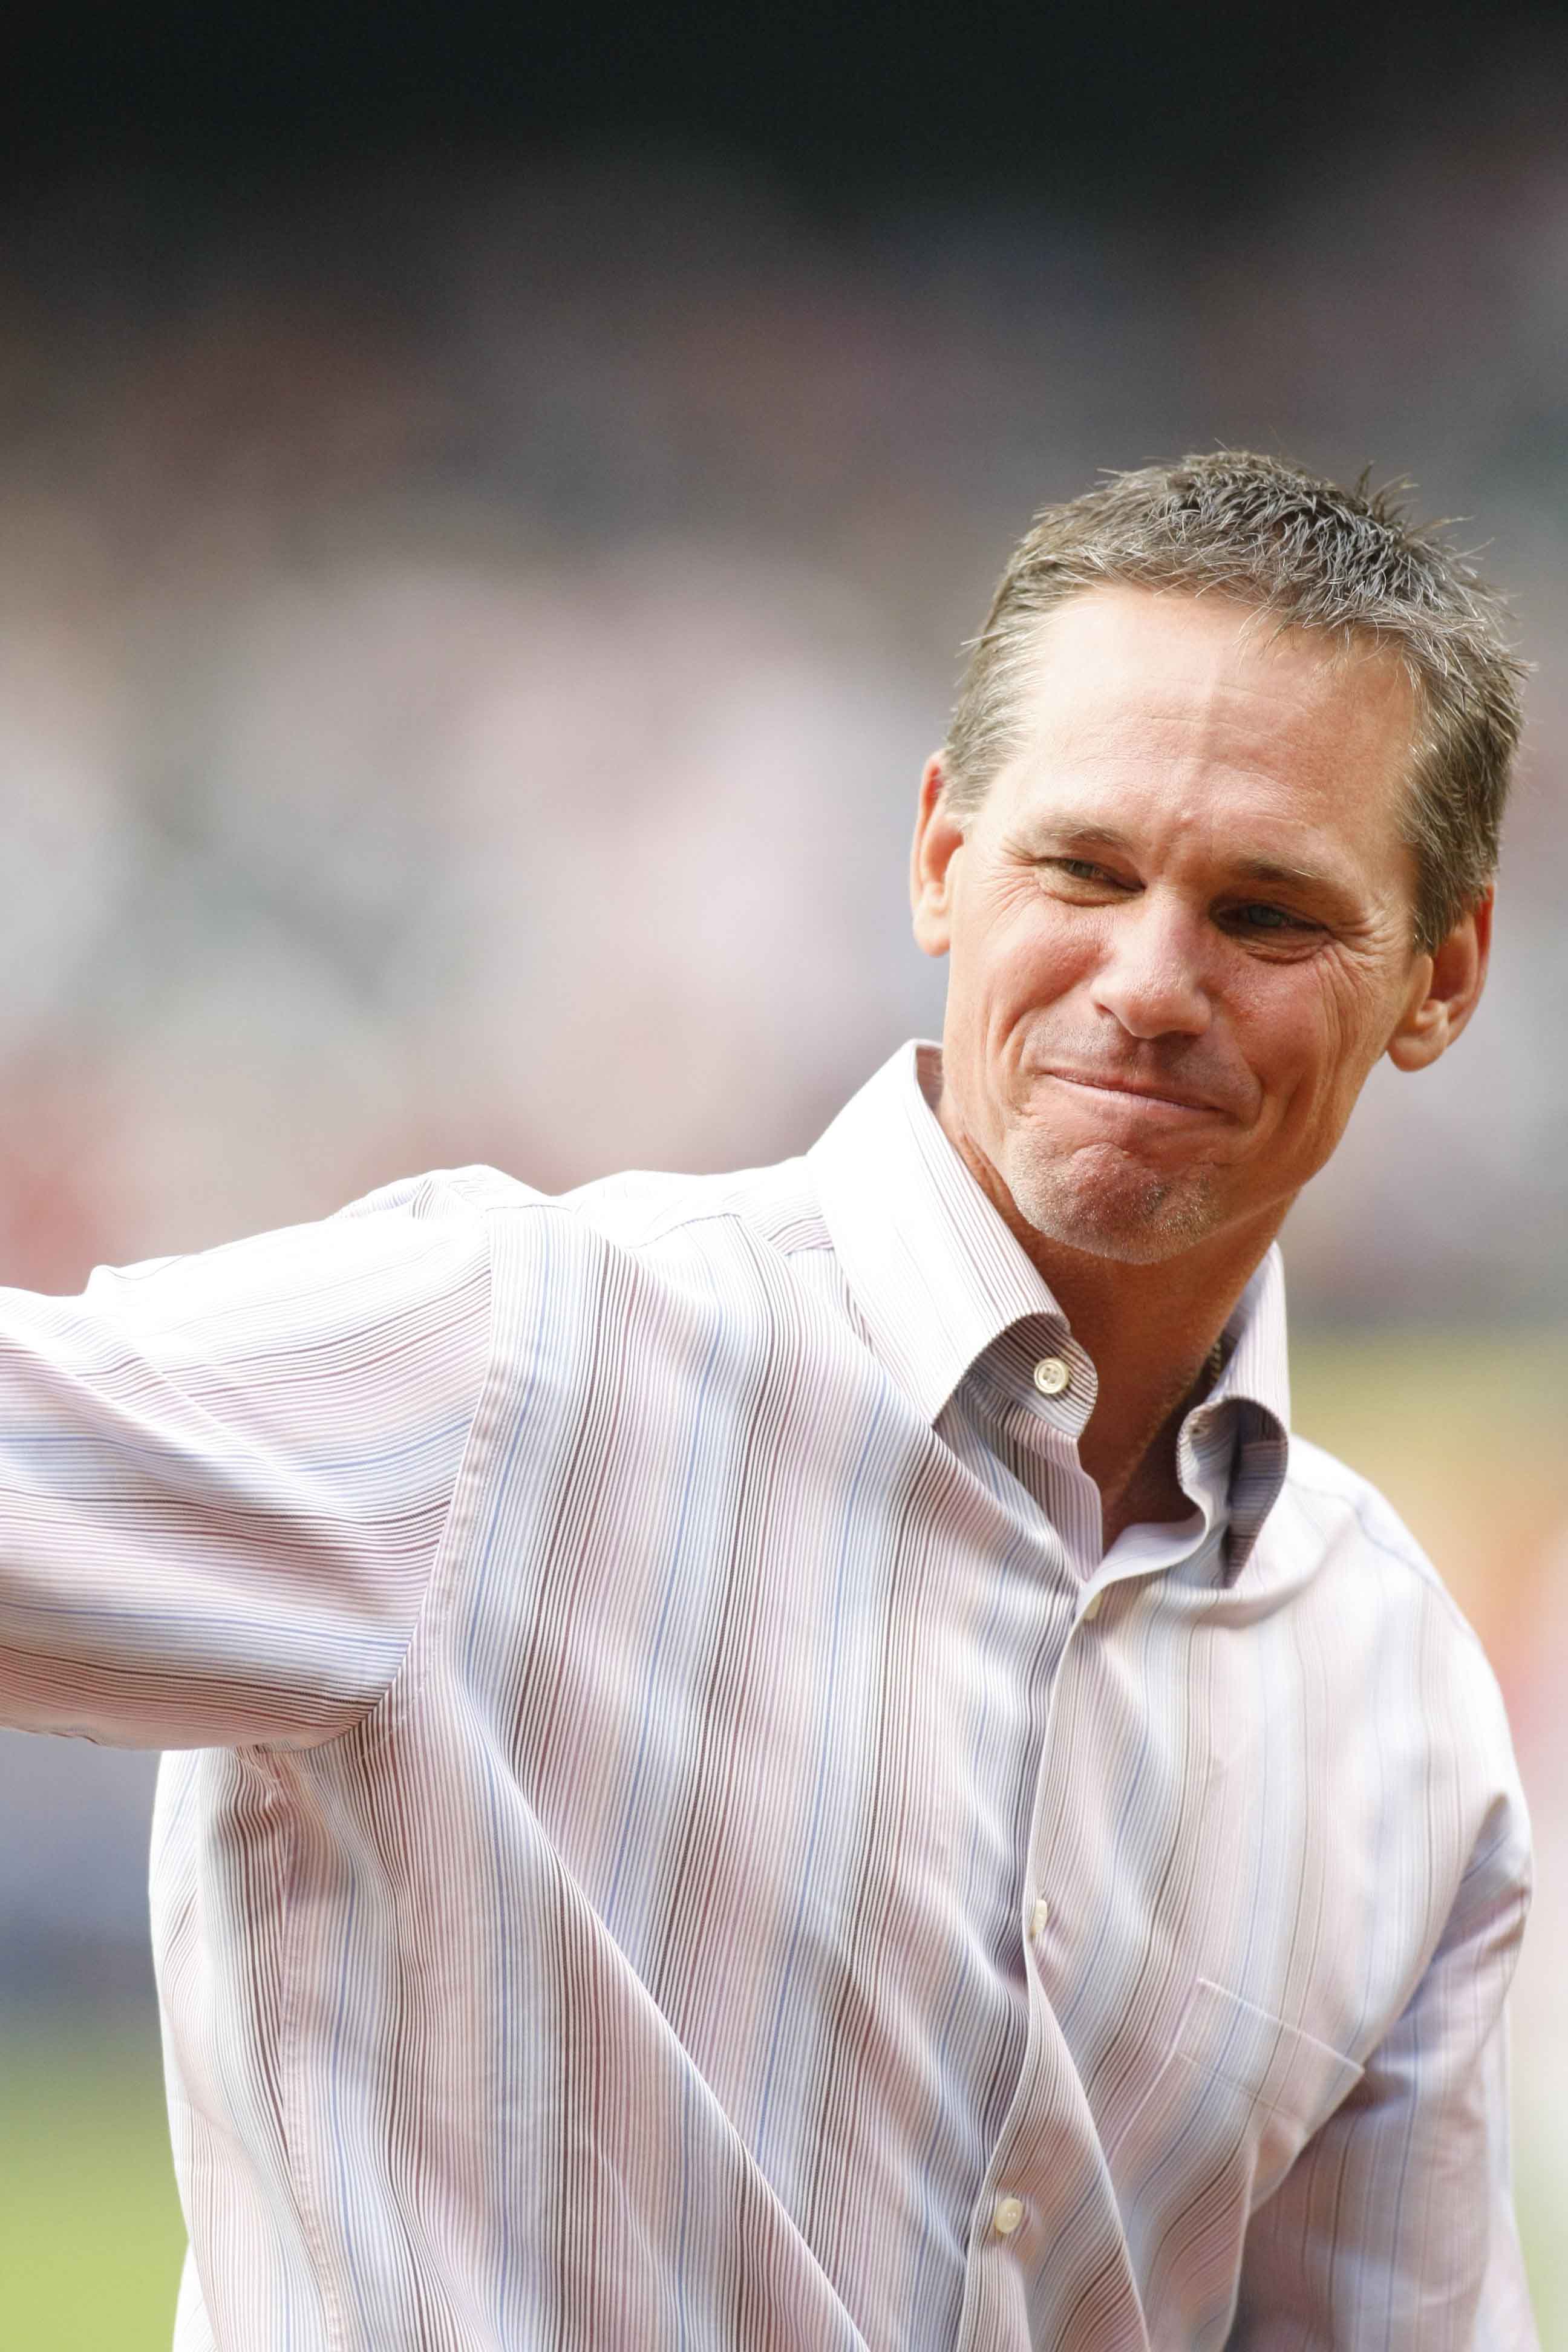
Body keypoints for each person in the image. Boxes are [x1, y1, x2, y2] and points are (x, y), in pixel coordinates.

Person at [0, 451, 1537, 2351]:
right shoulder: (504, 1362)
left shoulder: (1394, 1690)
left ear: (1443, 975)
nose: (1151, 980)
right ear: (938, 861)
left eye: (1269, 915)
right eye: (1083, 867)